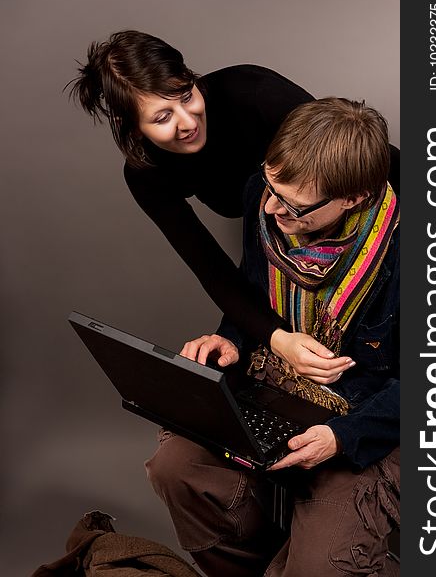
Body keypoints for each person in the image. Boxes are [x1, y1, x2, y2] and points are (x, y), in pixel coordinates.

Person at [145, 98, 400, 577]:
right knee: (175, 469)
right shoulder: (265, 198)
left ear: (355, 197)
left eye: (294, 206)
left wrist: (341, 437)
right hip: (277, 389)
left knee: (320, 568)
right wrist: (233, 340)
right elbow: (253, 291)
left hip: (372, 418)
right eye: (269, 187)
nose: (268, 208)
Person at [67, 29, 400, 378]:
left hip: (357, 223)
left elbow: (354, 153)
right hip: (281, 249)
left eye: (186, 95)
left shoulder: (252, 92)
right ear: (133, 128)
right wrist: (278, 339)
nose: (187, 121)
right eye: (162, 117)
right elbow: (211, 268)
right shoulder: (146, 175)